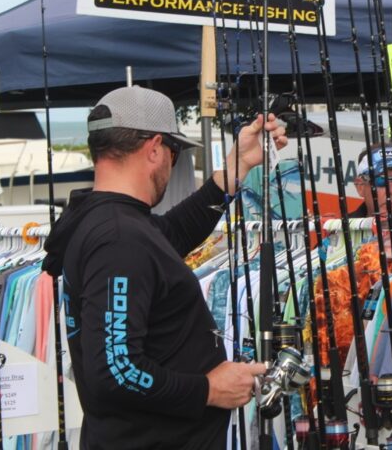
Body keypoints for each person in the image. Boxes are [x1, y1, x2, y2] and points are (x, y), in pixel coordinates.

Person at [42, 85, 288, 449]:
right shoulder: (118, 239)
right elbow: (114, 373)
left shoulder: (113, 223)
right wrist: (209, 388)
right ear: (155, 148)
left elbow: (169, 234)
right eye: (174, 153)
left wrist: (238, 166)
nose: (173, 165)